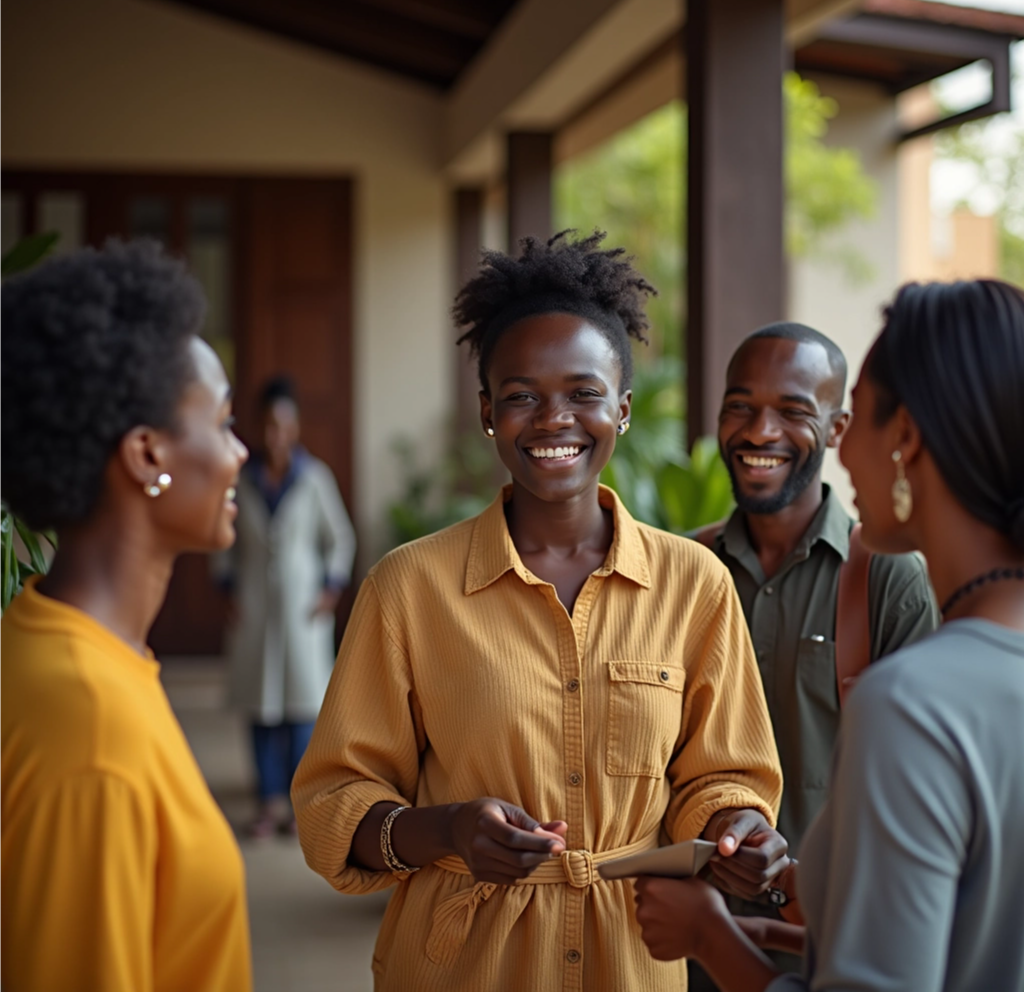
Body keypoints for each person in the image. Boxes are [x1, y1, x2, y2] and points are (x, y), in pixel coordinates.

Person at [292, 231, 786, 992]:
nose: (554, 419)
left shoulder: (695, 584)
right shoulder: (409, 587)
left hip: (634, 963)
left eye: (583, 394)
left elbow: (719, 777)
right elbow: (334, 803)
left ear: (621, 410)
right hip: (458, 968)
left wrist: (735, 831)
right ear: (489, 412)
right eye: (521, 395)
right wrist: (447, 829)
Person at [633, 278, 1024, 991]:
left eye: (858, 419)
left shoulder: (913, 702)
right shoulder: (685, 569)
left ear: (897, 436)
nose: (842, 462)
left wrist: (711, 939)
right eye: (741, 408)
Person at [0, 241, 252, 992]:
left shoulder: (54, 646)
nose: (239, 453)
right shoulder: (90, 725)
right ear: (147, 455)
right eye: (223, 421)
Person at [687, 323, 938, 988]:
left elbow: (916, 792)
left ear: (837, 425)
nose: (760, 431)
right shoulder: (676, 572)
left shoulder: (888, 576)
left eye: (793, 411)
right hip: (680, 950)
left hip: (829, 952)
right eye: (740, 406)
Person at [216, 374, 356, 837]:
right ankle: (267, 803)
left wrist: (329, 591)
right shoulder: (243, 478)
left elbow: (340, 538)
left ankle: (298, 806)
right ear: (260, 426)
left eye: (284, 424)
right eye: (269, 425)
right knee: (259, 706)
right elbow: (223, 538)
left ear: (295, 426)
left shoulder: (314, 478)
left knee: (300, 708)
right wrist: (228, 589)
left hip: (303, 610)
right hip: (254, 605)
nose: (276, 434)